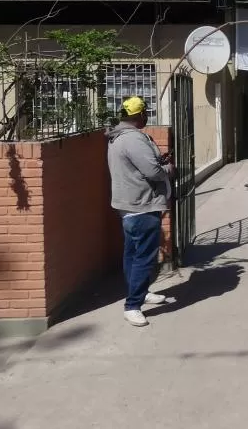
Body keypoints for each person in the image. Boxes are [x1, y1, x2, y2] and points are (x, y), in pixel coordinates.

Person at [105, 96, 173, 328]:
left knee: (132, 254)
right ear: (139, 115)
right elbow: (152, 171)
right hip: (141, 204)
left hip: (128, 203)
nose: (147, 117)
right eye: (145, 113)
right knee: (144, 257)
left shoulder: (118, 136)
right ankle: (132, 305)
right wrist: (168, 168)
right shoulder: (133, 139)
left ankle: (140, 292)